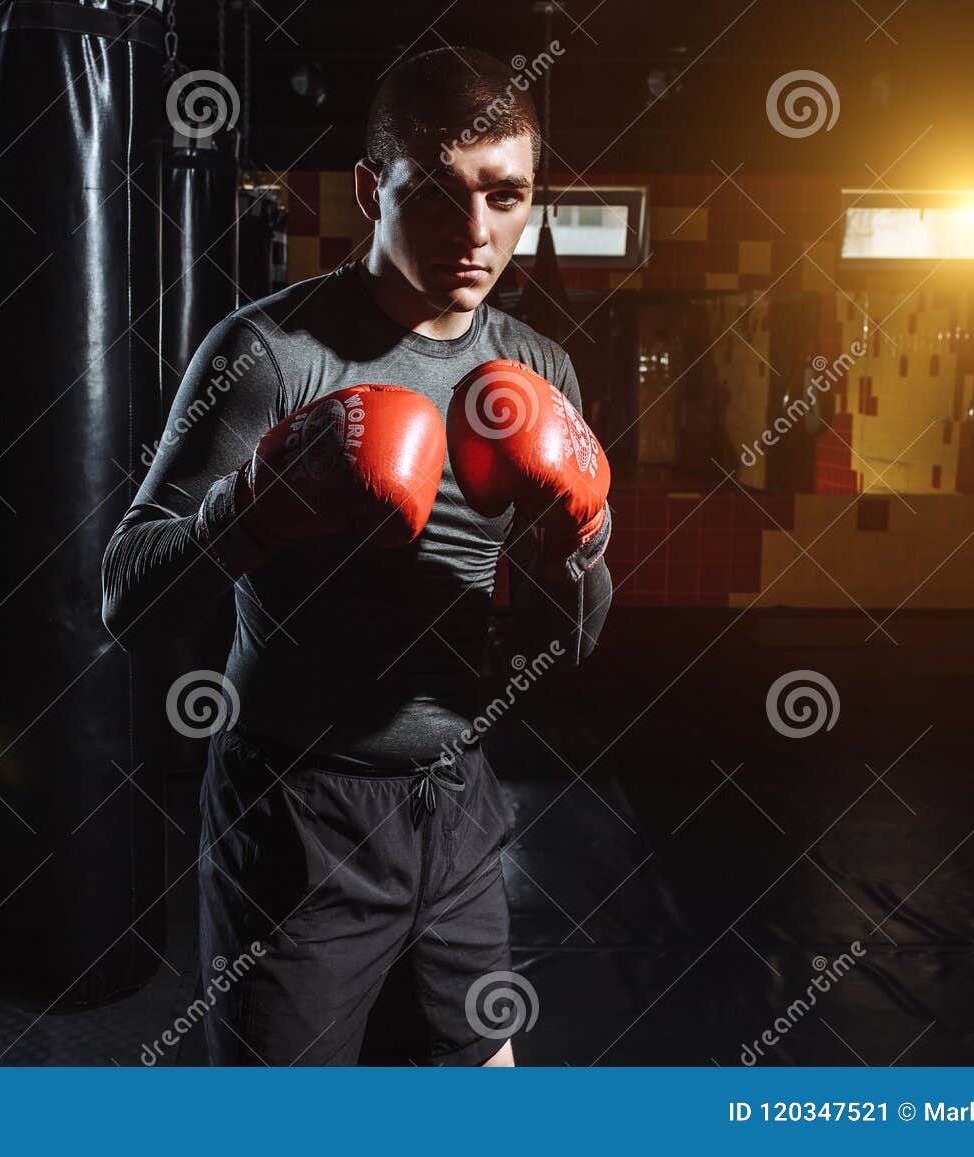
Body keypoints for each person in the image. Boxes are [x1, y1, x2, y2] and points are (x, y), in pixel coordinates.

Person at [101, 47, 613, 1066]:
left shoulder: (535, 368)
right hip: (301, 816)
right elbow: (128, 594)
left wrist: (579, 535)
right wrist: (253, 507)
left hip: (459, 804)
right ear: (369, 188)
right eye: (436, 195)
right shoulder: (272, 353)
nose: (475, 232)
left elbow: (576, 642)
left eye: (504, 195)